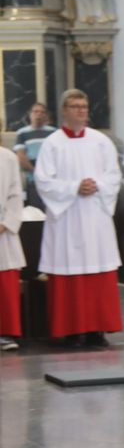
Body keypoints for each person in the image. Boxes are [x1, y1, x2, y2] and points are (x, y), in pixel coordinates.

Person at [34, 89, 123, 348]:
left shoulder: (101, 141)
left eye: (84, 106)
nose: (81, 111)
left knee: (99, 269)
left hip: (95, 215)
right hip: (67, 218)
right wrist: (74, 187)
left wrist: (96, 185)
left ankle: (97, 330)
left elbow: (114, 175)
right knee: (68, 270)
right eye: (75, 106)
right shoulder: (52, 143)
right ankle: (71, 330)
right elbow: (43, 181)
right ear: (64, 111)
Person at [0, 144, 24, 351]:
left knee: (4, 284)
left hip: (1, 231)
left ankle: (5, 332)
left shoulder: (7, 158)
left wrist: (6, 222)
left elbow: (15, 194)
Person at [14, 102, 55, 209]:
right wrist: (37, 172)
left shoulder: (53, 132)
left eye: (42, 112)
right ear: (30, 114)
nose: (39, 115)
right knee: (36, 213)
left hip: (51, 179)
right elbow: (21, 156)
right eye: (36, 112)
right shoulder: (22, 133)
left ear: (46, 116)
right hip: (33, 180)